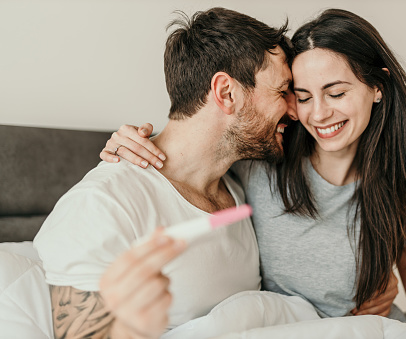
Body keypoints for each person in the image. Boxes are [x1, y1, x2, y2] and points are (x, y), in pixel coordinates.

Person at [101, 9, 406, 328]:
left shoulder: (400, 185)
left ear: (377, 87)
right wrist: (136, 140)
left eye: (336, 92)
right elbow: (198, 138)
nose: (319, 113)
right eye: (302, 96)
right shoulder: (262, 161)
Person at [33, 7, 296, 339]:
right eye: (281, 91)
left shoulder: (241, 186)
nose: (294, 110)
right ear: (226, 93)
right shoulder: (103, 204)